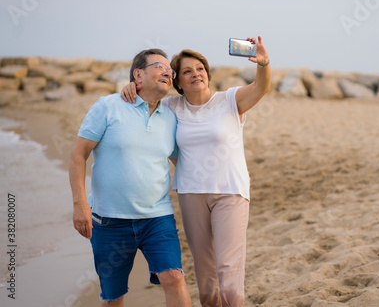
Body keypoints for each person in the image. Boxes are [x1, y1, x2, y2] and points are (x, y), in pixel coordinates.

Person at [121, 36, 271, 306]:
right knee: (204, 270)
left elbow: (261, 88)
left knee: (228, 267)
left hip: (230, 192)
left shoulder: (230, 99)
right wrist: (133, 85)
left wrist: (263, 64)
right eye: (187, 71)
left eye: (200, 69)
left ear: (208, 74)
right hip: (191, 193)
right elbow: (144, 100)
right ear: (177, 82)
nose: (195, 74)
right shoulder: (170, 107)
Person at [69, 48, 192, 307]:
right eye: (159, 66)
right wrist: (80, 205)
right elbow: (78, 155)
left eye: (170, 69)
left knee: (174, 278)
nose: (168, 72)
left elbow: (184, 162)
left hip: (157, 218)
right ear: (138, 74)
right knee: (113, 296)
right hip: (109, 221)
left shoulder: (171, 117)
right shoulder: (108, 106)